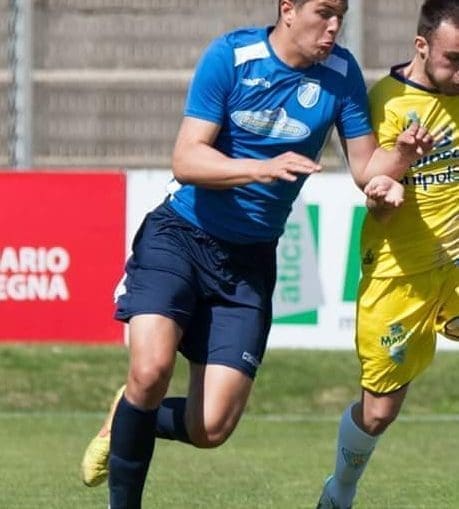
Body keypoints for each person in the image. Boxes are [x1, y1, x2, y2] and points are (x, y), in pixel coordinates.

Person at [80, 1, 433, 507]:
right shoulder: (232, 56)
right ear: (288, 9)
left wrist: (399, 158)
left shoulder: (341, 73)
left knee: (211, 428)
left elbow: (365, 169)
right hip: (181, 236)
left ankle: (128, 415)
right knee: (151, 371)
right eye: (324, 12)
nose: (334, 26)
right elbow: (186, 158)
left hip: (249, 262)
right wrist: (258, 168)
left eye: (341, 14)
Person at [316, 0, 459, 507]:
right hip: (399, 274)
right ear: (421, 46)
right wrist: (383, 193)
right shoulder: (385, 101)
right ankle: (339, 491)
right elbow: (373, 196)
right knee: (378, 413)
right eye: (453, 59)